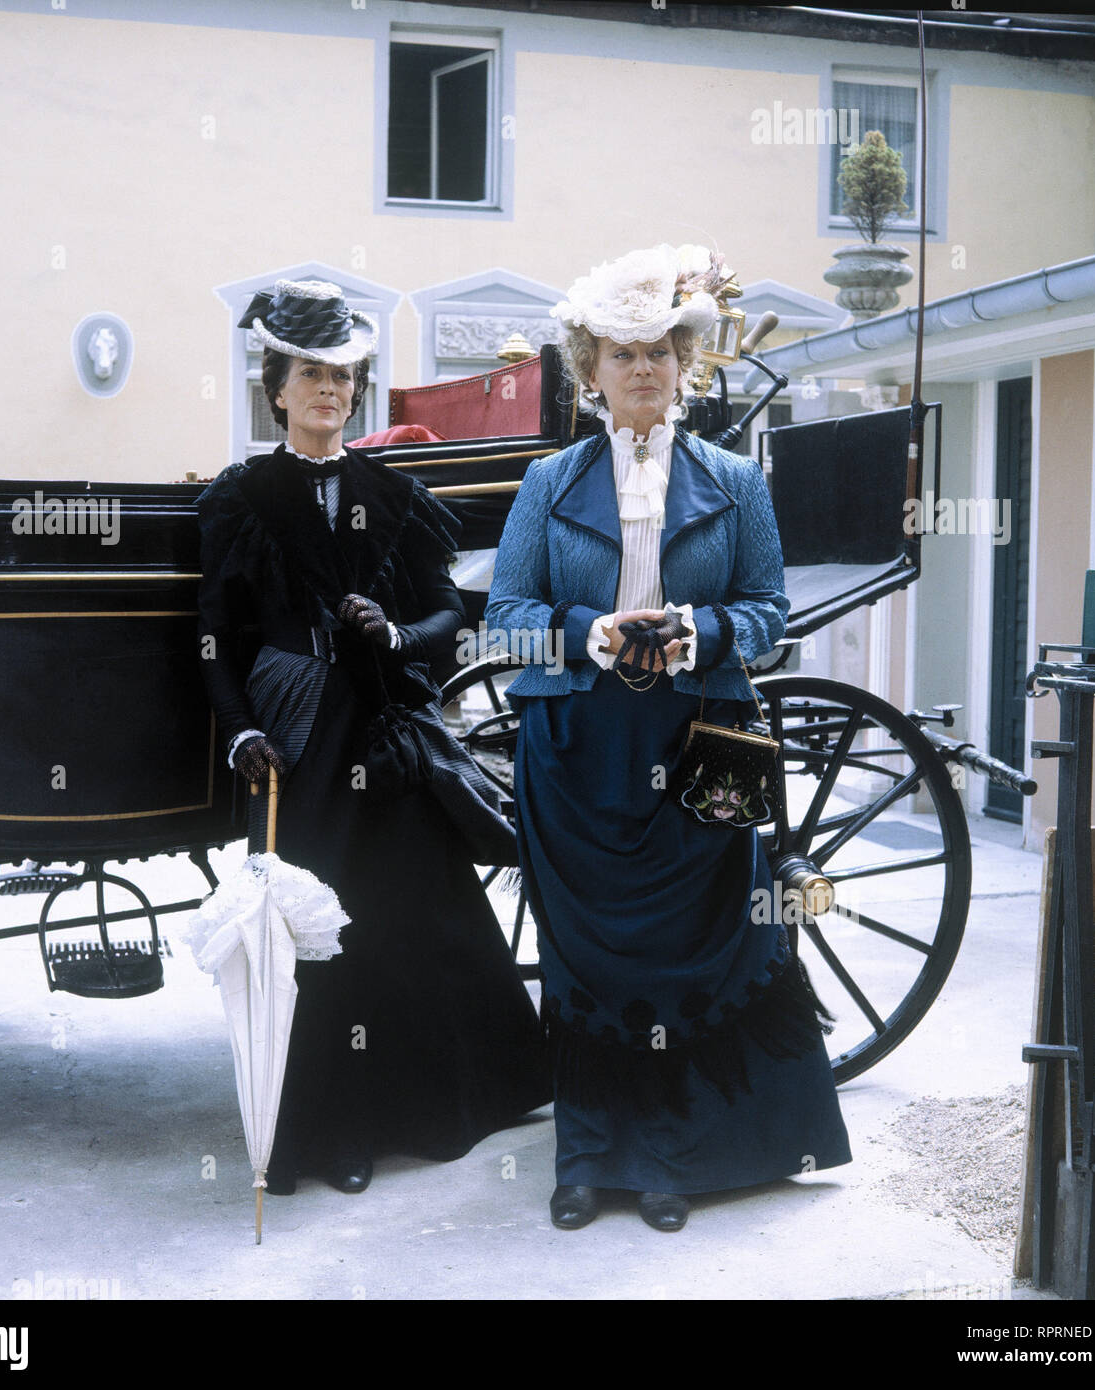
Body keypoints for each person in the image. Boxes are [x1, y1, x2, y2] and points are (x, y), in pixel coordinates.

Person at [483, 243, 851, 1231]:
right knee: (590, 961)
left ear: (685, 362)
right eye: (620, 352)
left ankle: (669, 1161)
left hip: (710, 735)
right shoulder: (546, 482)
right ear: (589, 369)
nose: (641, 368)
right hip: (577, 748)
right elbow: (503, 617)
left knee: (695, 954)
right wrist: (588, 633)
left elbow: (771, 613)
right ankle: (585, 1159)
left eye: (658, 350)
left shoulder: (734, 482)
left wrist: (701, 632)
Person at [197, 279, 548, 1196]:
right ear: (276, 388)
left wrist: (394, 634)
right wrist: (239, 733)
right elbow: (213, 639)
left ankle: (438, 1109)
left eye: (345, 376)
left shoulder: (395, 495)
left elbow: (447, 619)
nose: (330, 391)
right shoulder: (240, 499)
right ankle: (333, 1134)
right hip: (297, 741)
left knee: (409, 919)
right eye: (311, 374)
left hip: (388, 735)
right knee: (317, 936)